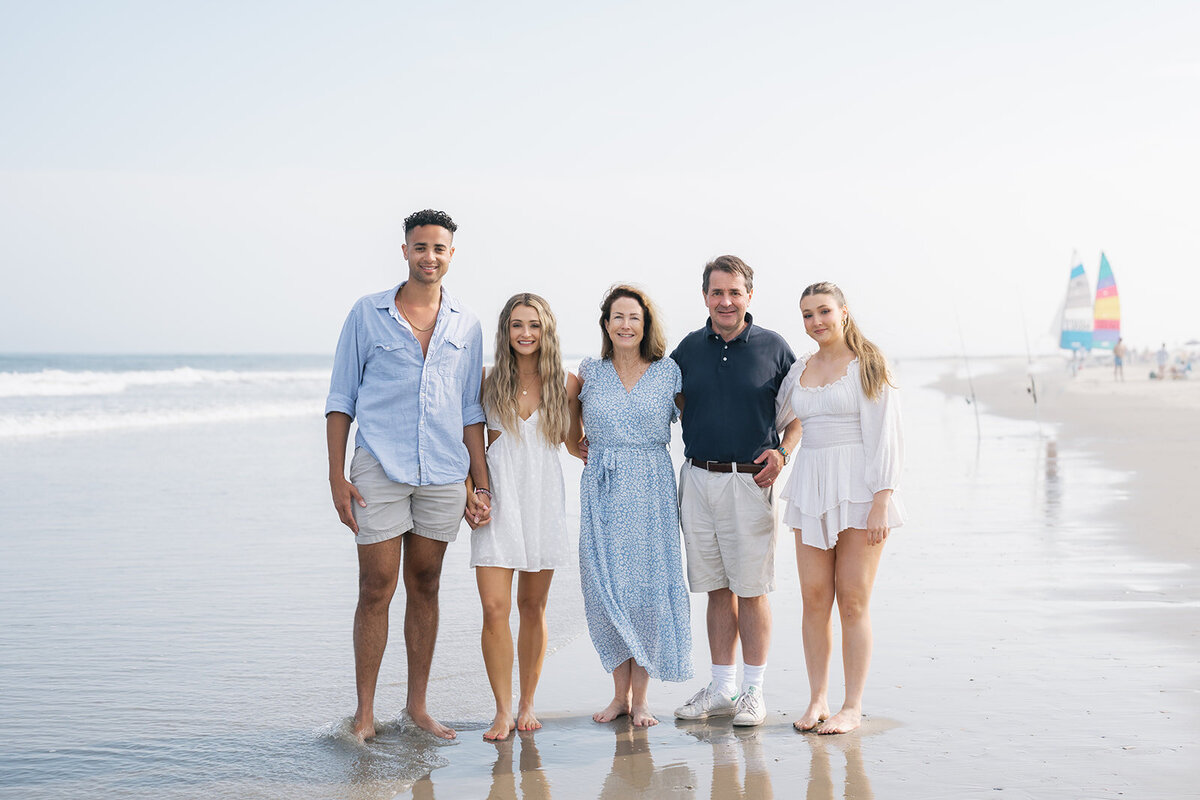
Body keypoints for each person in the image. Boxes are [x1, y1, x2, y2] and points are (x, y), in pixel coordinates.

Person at [325, 209, 490, 741]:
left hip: (444, 471)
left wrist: (478, 482)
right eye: (420, 247)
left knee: (427, 583)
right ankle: (365, 713)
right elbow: (340, 399)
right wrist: (335, 476)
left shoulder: (467, 323)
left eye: (439, 248)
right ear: (405, 251)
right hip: (379, 466)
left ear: (451, 254)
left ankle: (417, 706)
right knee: (376, 586)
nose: (430, 257)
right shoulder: (366, 314)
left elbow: (469, 410)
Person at [670, 256, 801, 728]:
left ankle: (753, 692)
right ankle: (722, 689)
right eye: (716, 292)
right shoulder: (687, 349)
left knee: (752, 589)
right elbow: (666, 403)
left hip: (750, 481)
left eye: (734, 292)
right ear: (705, 296)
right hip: (698, 479)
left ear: (749, 295)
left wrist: (783, 452)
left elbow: (799, 409)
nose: (725, 301)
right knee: (716, 589)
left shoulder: (774, 347)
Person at [776, 281, 905, 735]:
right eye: (807, 314)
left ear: (844, 312)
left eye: (824, 311)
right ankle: (817, 701)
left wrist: (882, 499)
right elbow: (774, 416)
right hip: (810, 485)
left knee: (852, 600)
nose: (816, 322)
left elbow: (885, 433)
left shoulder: (868, 364)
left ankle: (852, 705)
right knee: (814, 598)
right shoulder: (799, 369)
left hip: (859, 489)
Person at [566, 284, 692, 727]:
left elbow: (698, 416)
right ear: (606, 324)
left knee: (647, 593)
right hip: (601, 488)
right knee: (605, 592)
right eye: (617, 317)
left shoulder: (668, 372)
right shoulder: (589, 371)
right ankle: (618, 696)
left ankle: (640, 700)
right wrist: (578, 446)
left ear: (645, 324)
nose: (625, 325)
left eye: (633, 317)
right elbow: (567, 427)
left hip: (651, 488)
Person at [469, 293, 571, 741]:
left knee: (533, 607)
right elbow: (464, 445)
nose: (525, 333)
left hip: (544, 503)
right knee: (494, 608)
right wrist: (469, 492)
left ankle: (528, 703)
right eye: (516, 324)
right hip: (498, 504)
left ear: (546, 329)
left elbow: (579, 442)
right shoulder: (486, 382)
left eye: (533, 324)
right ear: (504, 331)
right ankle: (501, 710)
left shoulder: (567, 384)